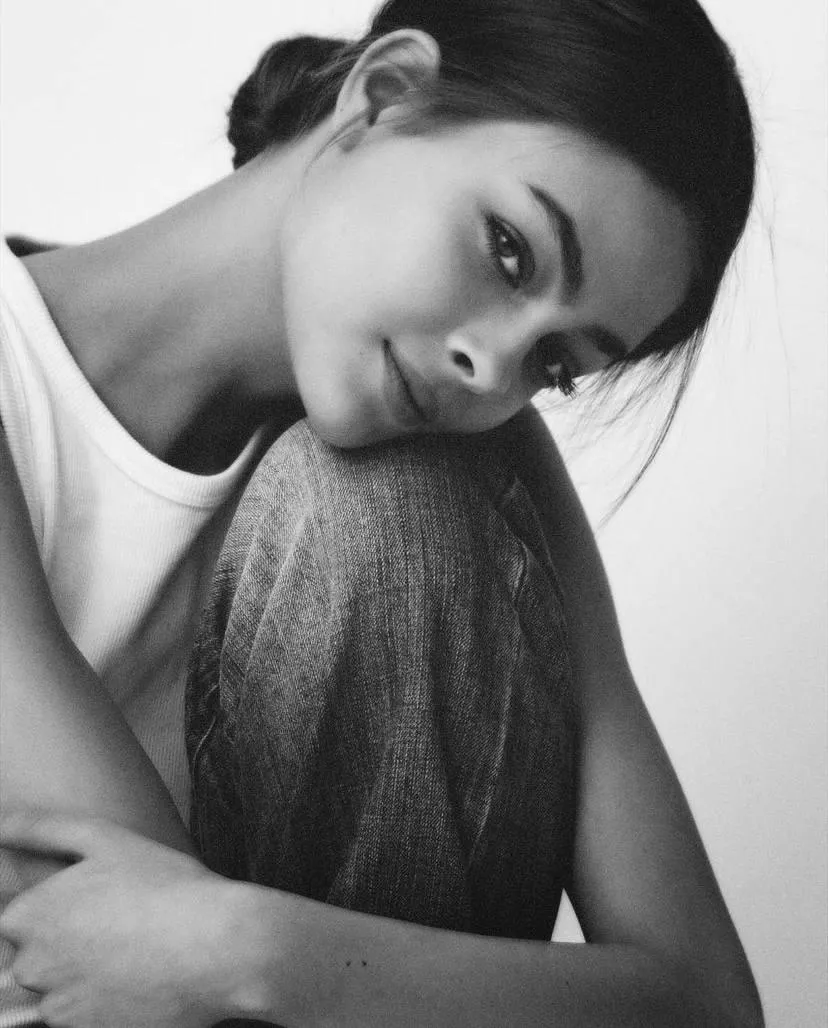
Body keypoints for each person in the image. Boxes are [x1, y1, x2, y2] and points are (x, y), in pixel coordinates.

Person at [0, 0, 764, 1025]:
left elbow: (709, 1000)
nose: (492, 366)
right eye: (509, 251)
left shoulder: (468, 467)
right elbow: (93, 936)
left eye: (555, 364)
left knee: (404, 507)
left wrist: (259, 948)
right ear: (385, 95)